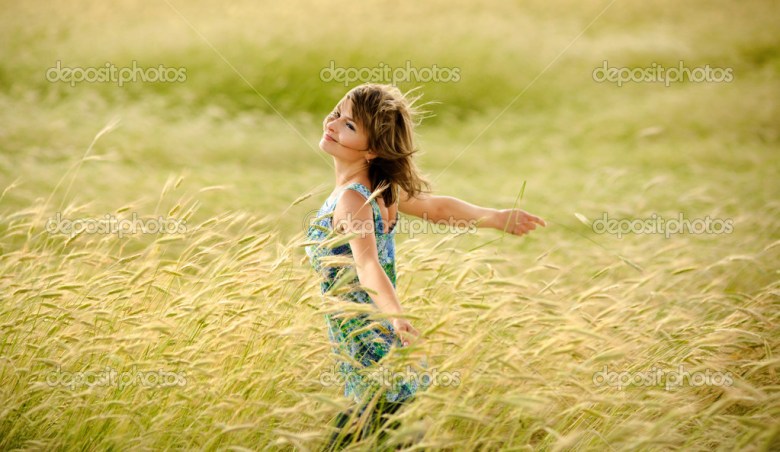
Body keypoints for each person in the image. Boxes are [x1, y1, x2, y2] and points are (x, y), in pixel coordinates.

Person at [304, 83, 546, 450]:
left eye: (349, 125)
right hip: (374, 357)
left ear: (372, 150)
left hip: (375, 354)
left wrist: (396, 317)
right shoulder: (376, 190)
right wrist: (494, 217)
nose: (333, 124)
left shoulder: (354, 200)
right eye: (337, 113)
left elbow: (368, 264)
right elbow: (437, 208)